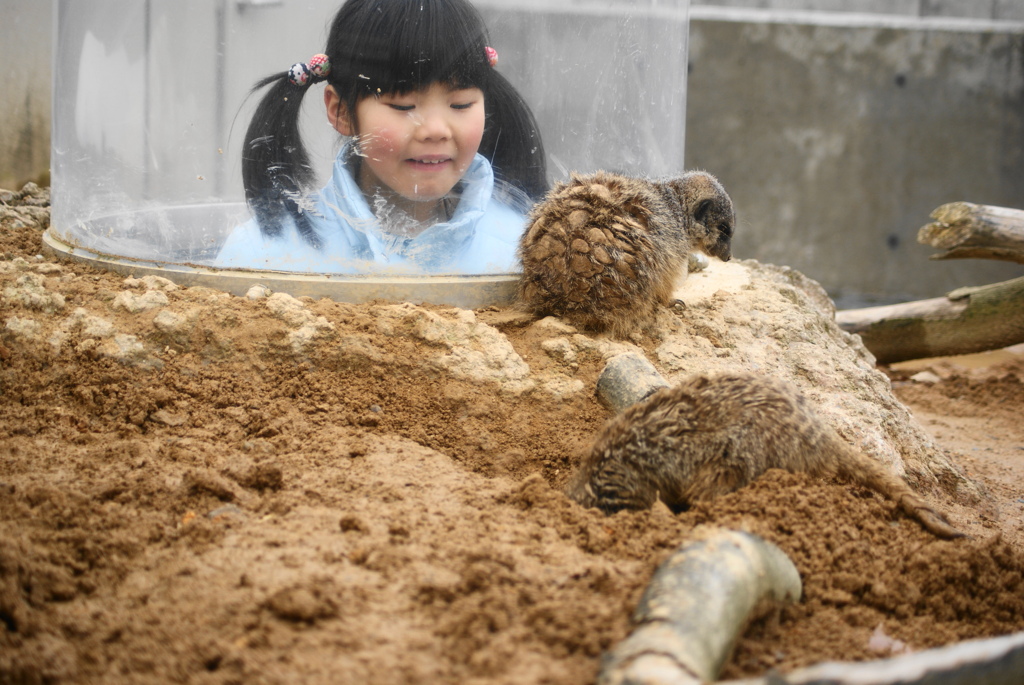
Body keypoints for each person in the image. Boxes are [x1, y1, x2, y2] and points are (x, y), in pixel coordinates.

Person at [215, 0, 548, 274]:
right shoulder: (266, 255)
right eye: (403, 105)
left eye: (460, 104)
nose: (435, 130)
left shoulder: (529, 251)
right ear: (340, 111)